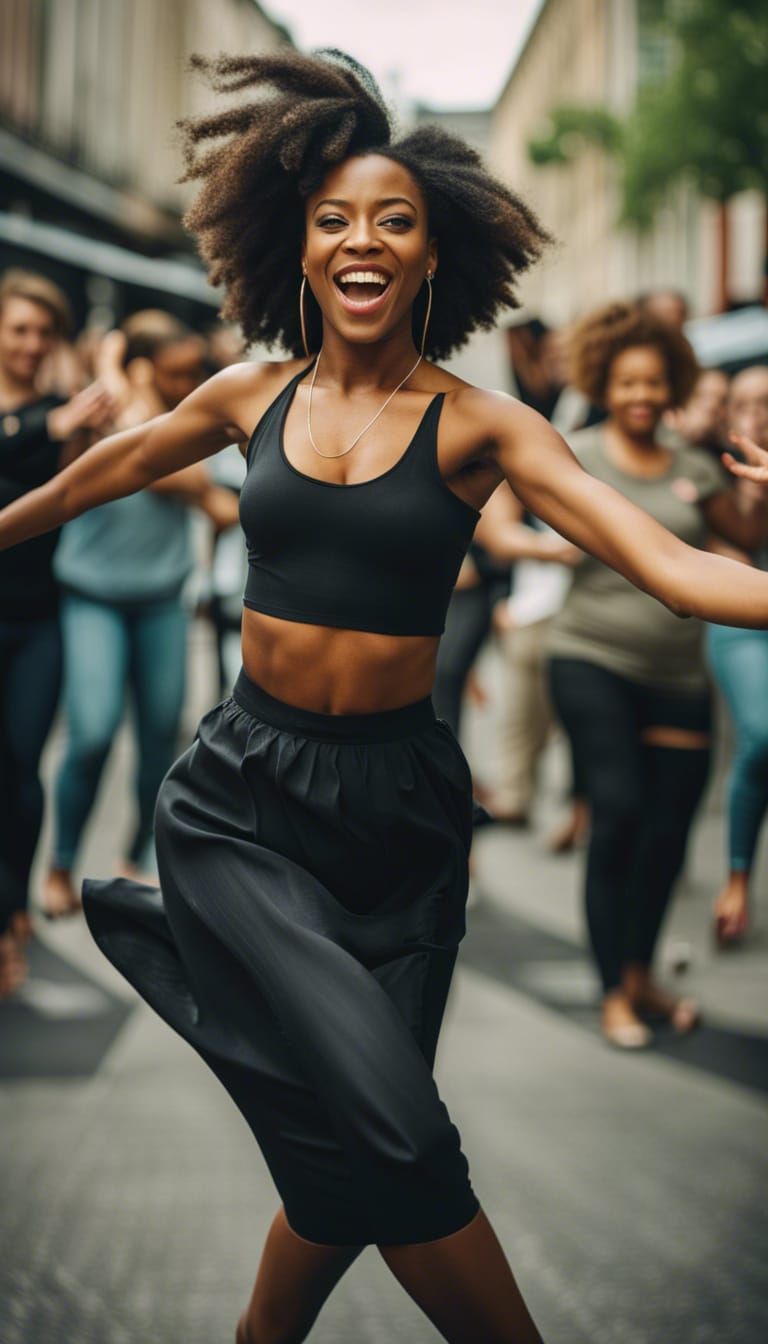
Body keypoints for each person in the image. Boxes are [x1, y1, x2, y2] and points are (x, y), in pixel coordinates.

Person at [2, 50, 768, 1344]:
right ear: (294, 245)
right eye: (335, 219)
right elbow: (99, 475)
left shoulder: (481, 426)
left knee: (354, 1154)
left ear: (434, 257)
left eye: (395, 221)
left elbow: (676, 569)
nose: (363, 240)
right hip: (247, 806)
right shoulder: (250, 393)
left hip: (406, 820)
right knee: (398, 1129)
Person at [546, 302, 768, 1052]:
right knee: (619, 808)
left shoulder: (694, 465)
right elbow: (501, 517)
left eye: (654, 382)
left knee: (668, 835)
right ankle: (612, 991)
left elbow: (746, 538)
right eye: (626, 382)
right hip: (590, 655)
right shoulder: (573, 454)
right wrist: (530, 552)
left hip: (677, 669)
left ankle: (641, 974)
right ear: (603, 384)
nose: (641, 395)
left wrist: (760, 493)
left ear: (671, 384)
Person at [42, 312, 238, 917]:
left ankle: (139, 854)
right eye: (174, 373)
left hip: (161, 599)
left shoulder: (186, 423)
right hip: (93, 596)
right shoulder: (101, 411)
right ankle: (62, 861)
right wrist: (110, 376)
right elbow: (110, 470)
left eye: (191, 373)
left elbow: (198, 491)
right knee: (93, 732)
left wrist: (139, 394)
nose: (187, 384)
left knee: (161, 735)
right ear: (143, 368)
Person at [0, 268, 113, 993]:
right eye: (18, 329)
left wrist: (80, 420)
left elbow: (76, 491)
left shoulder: (63, 410)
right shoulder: (46, 417)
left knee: (20, 771)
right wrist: (48, 425)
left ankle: (12, 911)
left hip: (39, 616)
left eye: (44, 331)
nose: (31, 343)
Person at [706, 366, 768, 945]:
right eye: (743, 402)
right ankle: (737, 878)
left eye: (766, 402)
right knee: (763, 735)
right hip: (744, 624)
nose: (755, 414)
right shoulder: (708, 471)